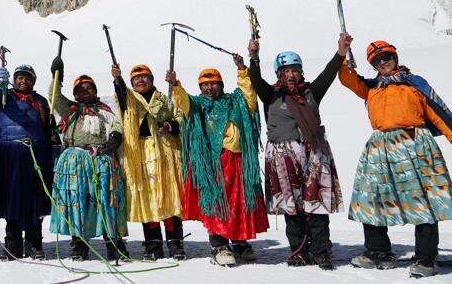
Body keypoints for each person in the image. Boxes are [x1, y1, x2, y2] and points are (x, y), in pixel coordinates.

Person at [338, 36, 452, 278]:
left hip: (415, 144)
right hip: (381, 147)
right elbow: (348, 79)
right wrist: (343, 54)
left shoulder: (415, 84)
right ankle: (378, 252)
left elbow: (440, 114)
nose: (383, 62)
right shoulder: (370, 87)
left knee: (424, 202)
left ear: (395, 57)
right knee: (371, 197)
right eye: (377, 60)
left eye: (387, 57)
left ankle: (426, 258)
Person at [247, 37, 344, 270]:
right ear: (279, 75)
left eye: (295, 70)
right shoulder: (270, 95)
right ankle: (298, 251)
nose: (291, 75)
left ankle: (320, 251)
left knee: (316, 203)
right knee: (292, 206)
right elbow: (255, 80)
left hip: (314, 154)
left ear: (301, 73)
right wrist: (254, 57)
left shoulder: (311, 93)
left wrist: (341, 53)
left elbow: (329, 73)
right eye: (286, 71)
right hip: (283, 156)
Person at [178, 55, 268, 267]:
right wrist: (176, 86)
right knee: (218, 203)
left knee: (241, 202)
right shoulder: (198, 105)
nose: (210, 88)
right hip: (213, 164)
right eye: (205, 85)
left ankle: (239, 242)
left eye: (213, 84)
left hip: (239, 161)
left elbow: (249, 96)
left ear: (221, 84)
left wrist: (242, 71)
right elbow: (183, 103)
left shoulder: (234, 100)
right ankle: (219, 244)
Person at [49, 57, 127, 261]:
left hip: (100, 160)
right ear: (75, 94)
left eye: (88, 88)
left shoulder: (105, 111)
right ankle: (79, 245)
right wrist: (56, 76)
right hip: (74, 162)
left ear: (94, 90)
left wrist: (114, 140)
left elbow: (116, 127)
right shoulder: (70, 110)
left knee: (105, 202)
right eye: (80, 89)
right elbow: (54, 97)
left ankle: (114, 243)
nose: (84, 92)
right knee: (77, 201)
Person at [112, 63, 186, 260]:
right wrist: (118, 79)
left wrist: (170, 126)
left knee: (170, 197)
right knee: (148, 199)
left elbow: (181, 119)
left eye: (144, 77)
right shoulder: (128, 100)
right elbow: (121, 94)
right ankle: (153, 244)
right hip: (140, 156)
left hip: (165, 154)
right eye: (136, 78)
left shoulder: (164, 98)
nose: (140, 80)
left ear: (152, 80)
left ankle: (175, 242)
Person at [0, 64, 54, 260]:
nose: (23, 81)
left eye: (27, 78)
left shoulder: (40, 101)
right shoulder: (5, 97)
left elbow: (46, 129)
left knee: (34, 198)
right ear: (14, 79)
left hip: (35, 154)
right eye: (19, 77)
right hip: (10, 154)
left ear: (33, 82)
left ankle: (34, 244)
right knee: (12, 198)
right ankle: (12, 244)